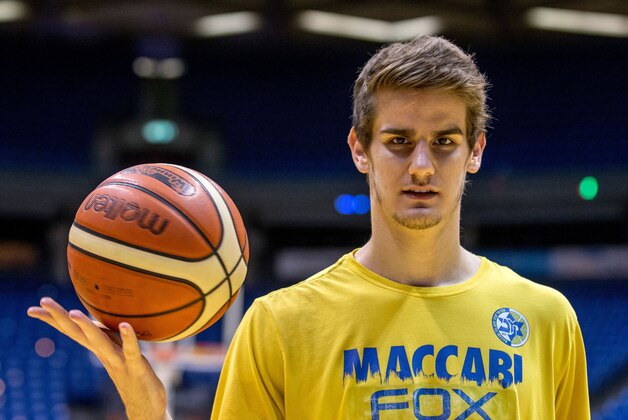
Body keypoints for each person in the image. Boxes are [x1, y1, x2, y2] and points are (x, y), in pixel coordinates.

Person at [28, 35, 590, 419]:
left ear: (476, 152)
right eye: (398, 142)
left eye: (445, 142)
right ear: (360, 149)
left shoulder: (547, 320)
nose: (421, 165)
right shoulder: (278, 326)